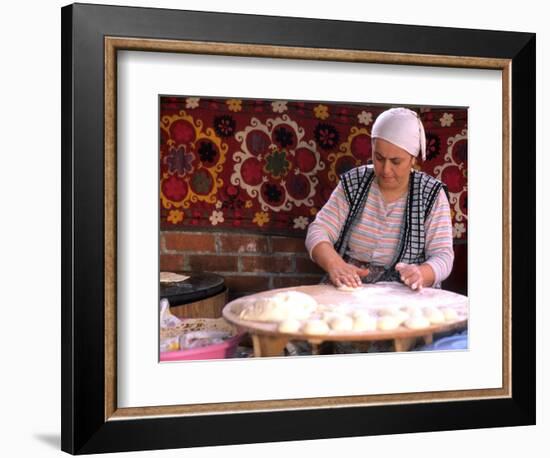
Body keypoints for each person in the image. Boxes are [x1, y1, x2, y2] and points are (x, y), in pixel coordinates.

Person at [305, 107, 454, 291]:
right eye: (379, 157)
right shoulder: (355, 182)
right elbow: (318, 230)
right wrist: (335, 263)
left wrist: (422, 273)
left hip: (404, 291)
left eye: (396, 161)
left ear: (412, 159)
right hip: (351, 285)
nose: (385, 170)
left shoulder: (431, 195)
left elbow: (443, 255)